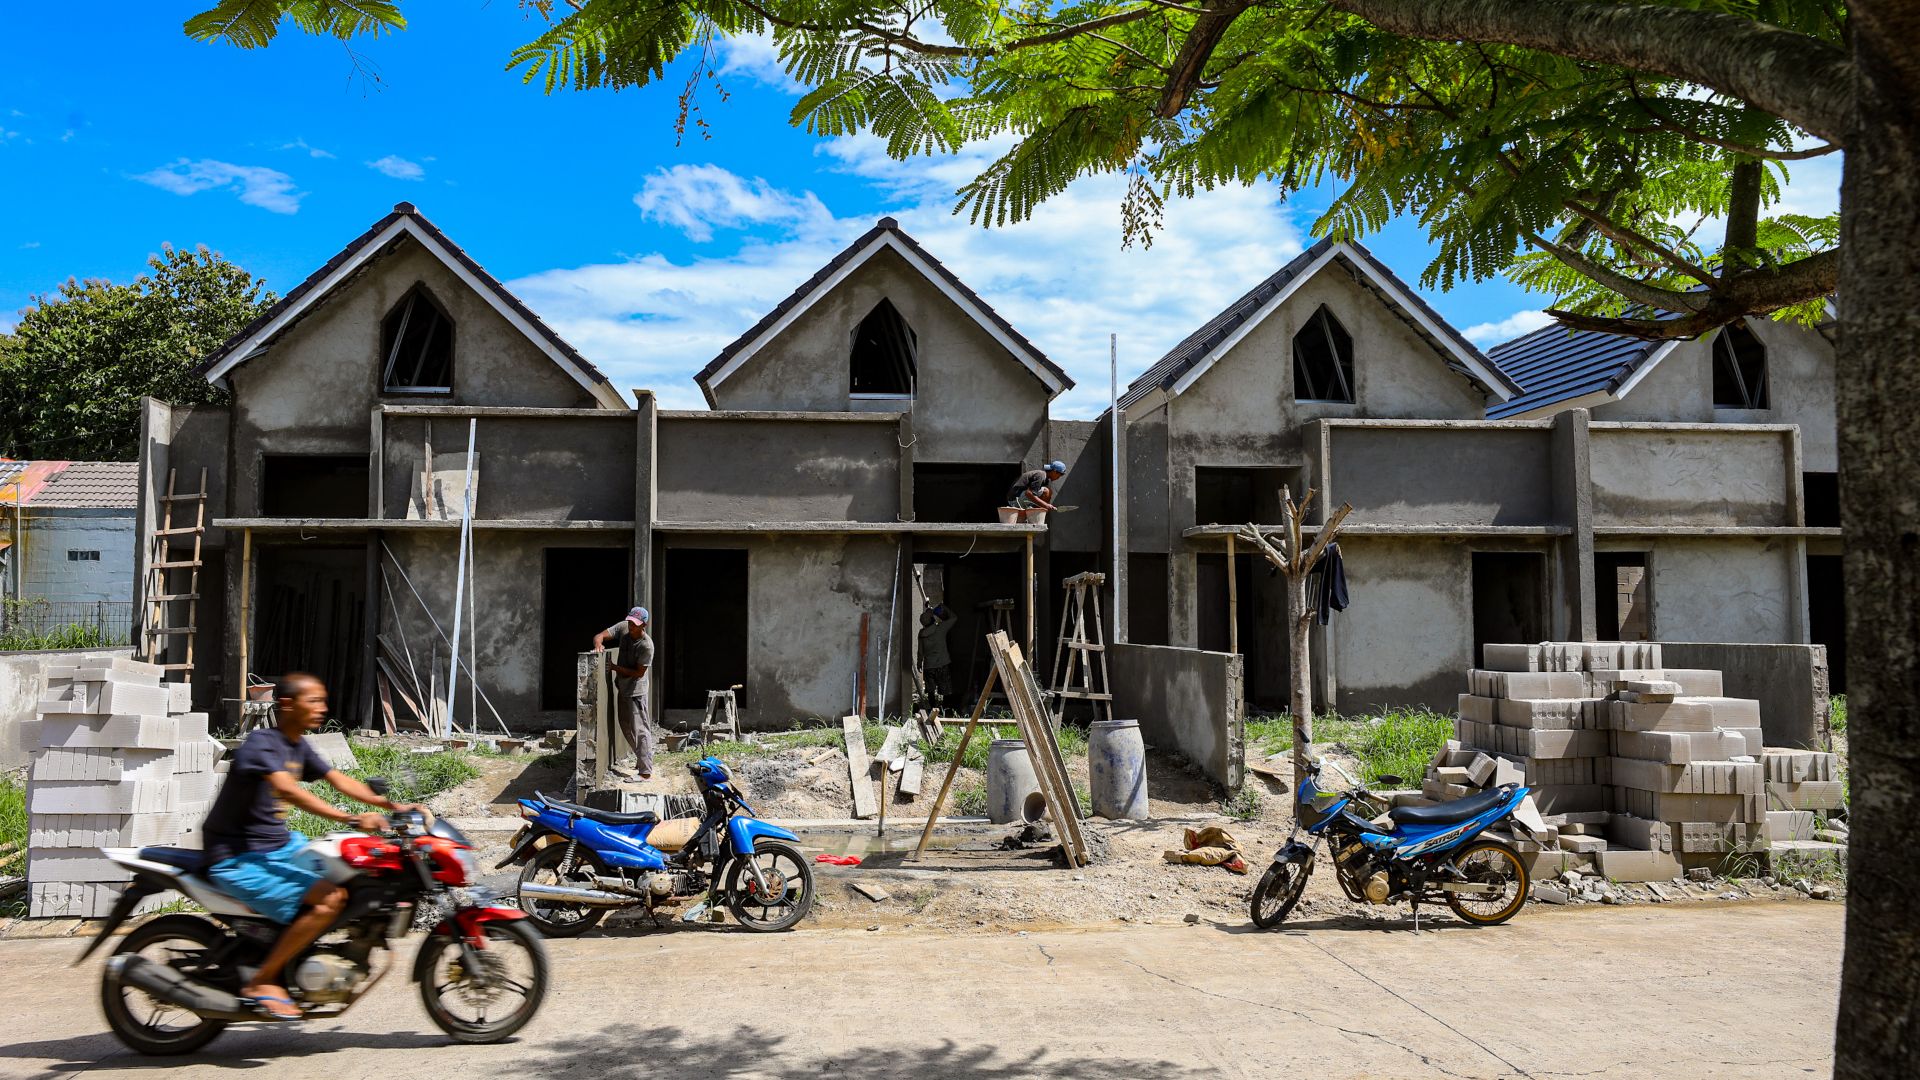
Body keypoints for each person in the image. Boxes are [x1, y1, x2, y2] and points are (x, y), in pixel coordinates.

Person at [199, 672, 421, 1021]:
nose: (323, 708)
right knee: (329, 899)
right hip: (237, 856)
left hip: (281, 846)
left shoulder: (298, 745)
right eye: (314, 701)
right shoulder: (262, 744)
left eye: (323, 700)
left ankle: (308, 955)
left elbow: (339, 780)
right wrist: (350, 820)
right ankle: (263, 979)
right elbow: (288, 790)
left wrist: (395, 808)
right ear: (287, 704)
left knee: (354, 873)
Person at [592, 606, 656, 780]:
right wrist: (599, 644)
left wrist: (614, 668)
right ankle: (643, 758)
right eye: (629, 622)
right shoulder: (624, 627)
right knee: (625, 726)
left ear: (644, 625)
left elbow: (639, 673)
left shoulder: (646, 646)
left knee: (640, 729)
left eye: (635, 624)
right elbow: (600, 635)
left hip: (636, 691)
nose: (631, 626)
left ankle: (645, 773)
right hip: (623, 687)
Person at [917, 604, 958, 709]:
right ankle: (946, 710)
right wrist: (945, 607)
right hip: (942, 663)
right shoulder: (940, 628)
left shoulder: (921, 634)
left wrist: (919, 663)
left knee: (930, 690)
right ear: (932, 619)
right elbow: (954, 618)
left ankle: (932, 708)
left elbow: (920, 652)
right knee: (945, 688)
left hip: (928, 666)